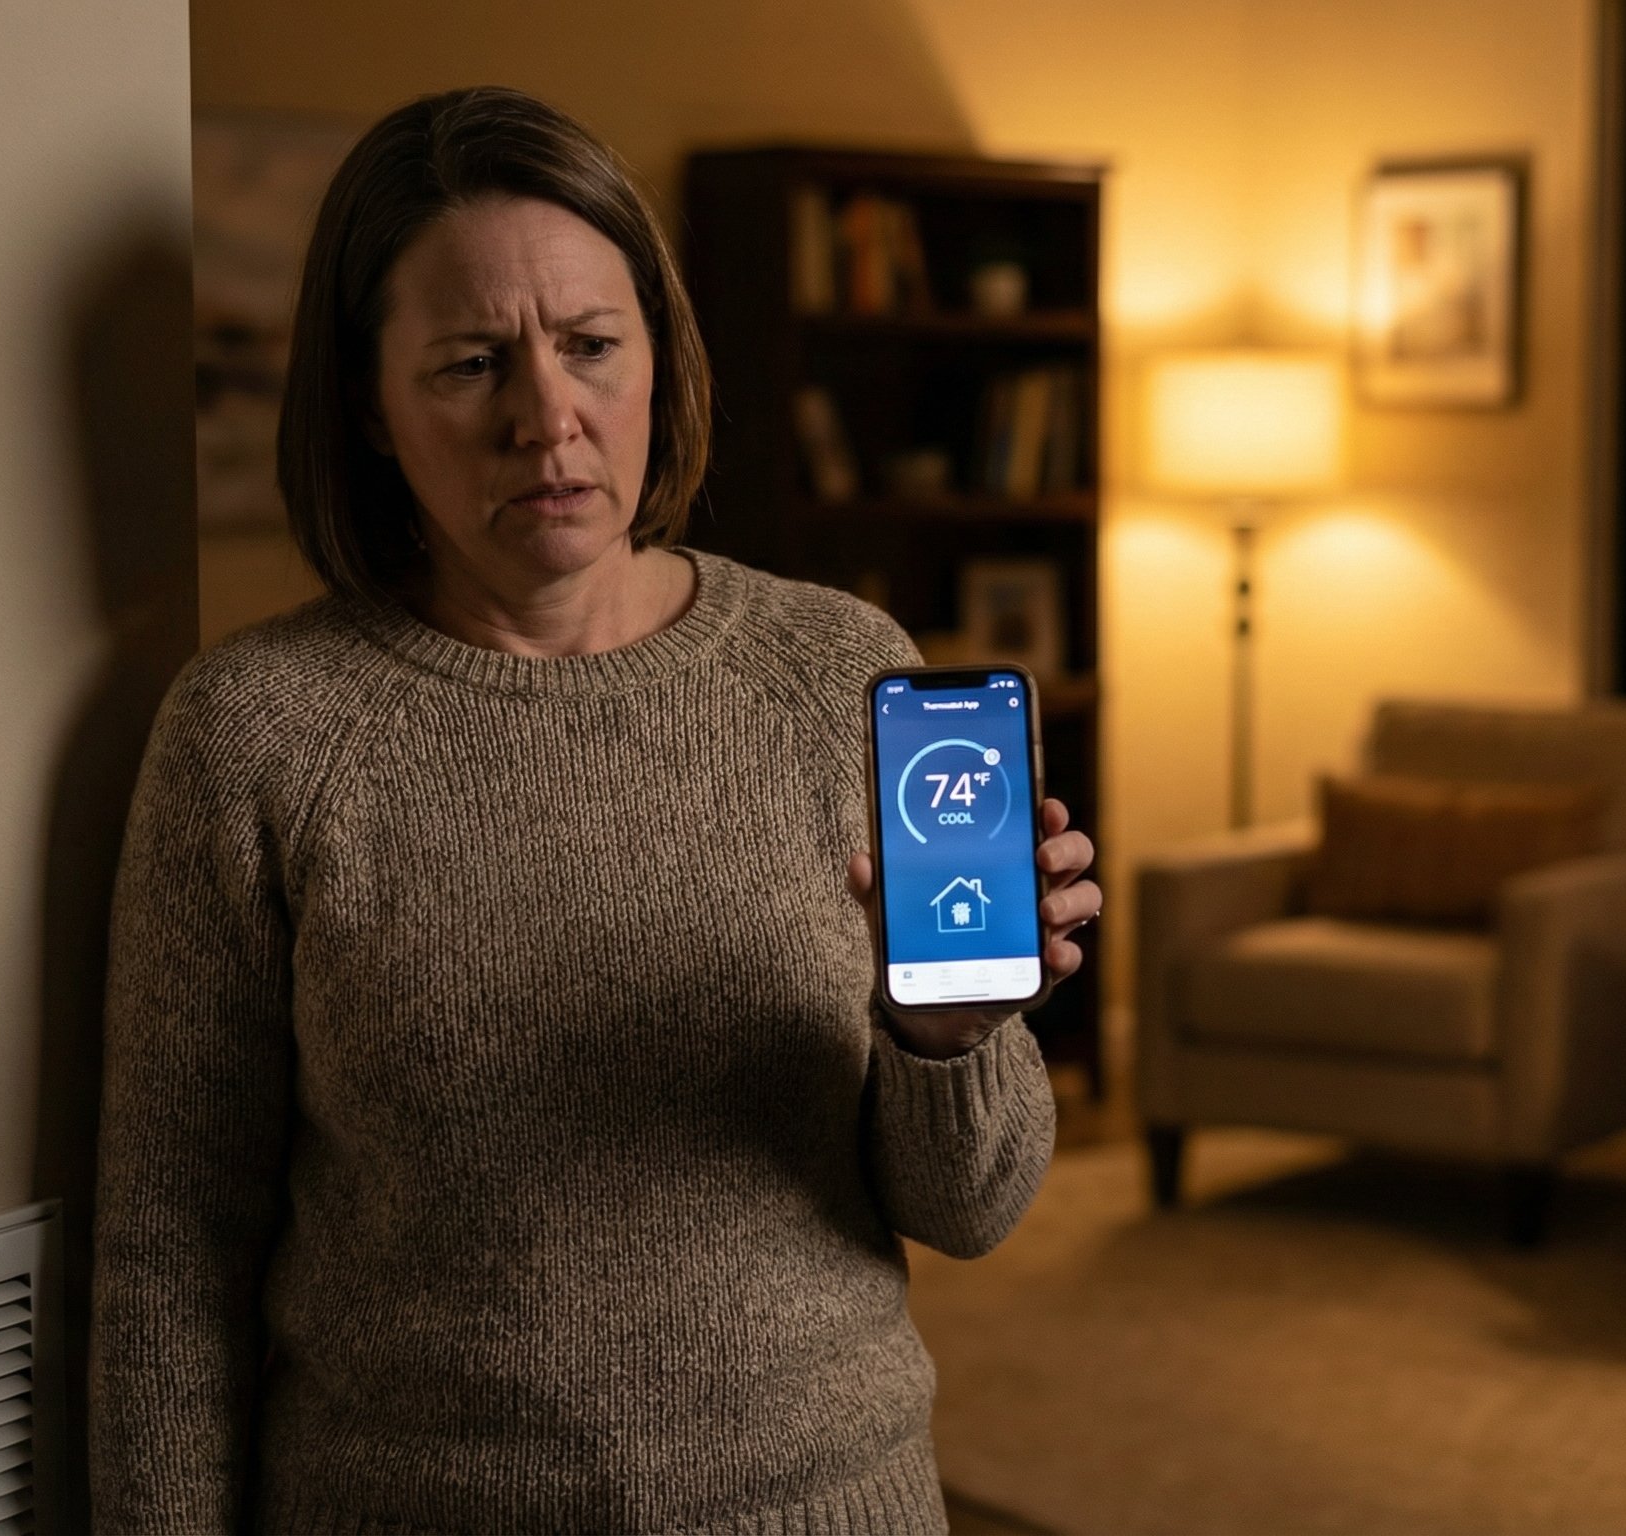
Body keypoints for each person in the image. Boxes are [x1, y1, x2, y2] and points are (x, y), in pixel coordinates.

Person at [89, 85, 1097, 1534]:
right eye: (469, 364)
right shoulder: (256, 734)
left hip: (827, 1505)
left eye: (589, 348)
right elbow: (171, 1259)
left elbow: (975, 1207)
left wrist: (942, 1038)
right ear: (371, 407)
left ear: (658, 364)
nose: (544, 419)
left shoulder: (836, 669)